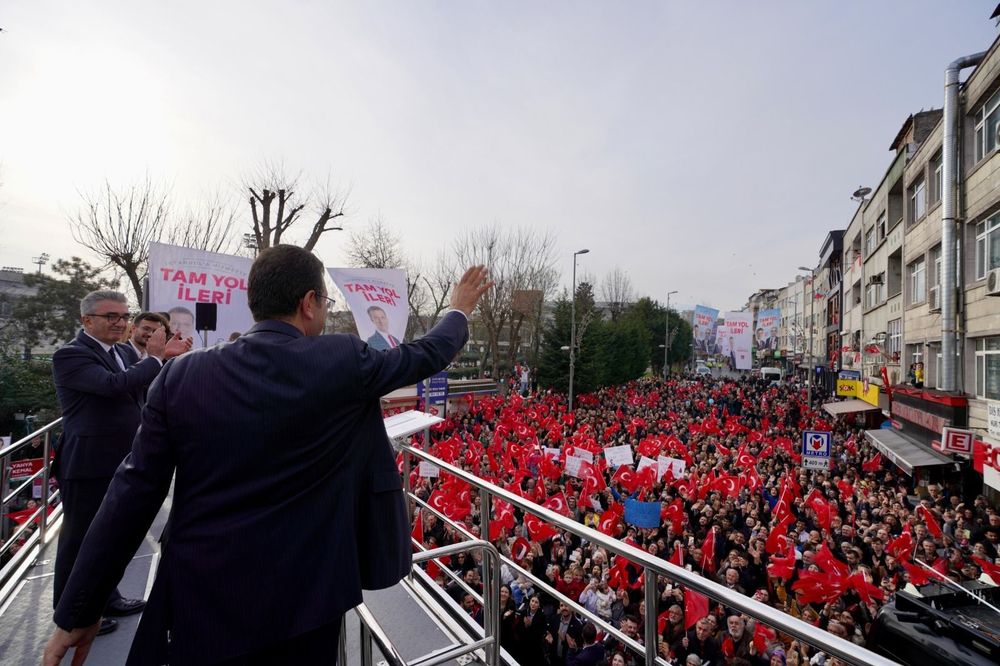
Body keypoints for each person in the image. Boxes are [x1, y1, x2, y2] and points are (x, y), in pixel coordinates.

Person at [43, 247, 491, 665]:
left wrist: (81, 607)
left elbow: (132, 493)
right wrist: (459, 308)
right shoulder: (340, 359)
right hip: (307, 601)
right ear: (309, 302)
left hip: (202, 596)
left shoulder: (180, 376)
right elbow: (427, 353)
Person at [50, 291, 190, 638]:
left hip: (119, 460)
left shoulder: (121, 352)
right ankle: (71, 614)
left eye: (123, 316)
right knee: (79, 540)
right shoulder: (70, 355)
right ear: (87, 320)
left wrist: (165, 360)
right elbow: (114, 386)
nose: (120, 322)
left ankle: (104, 599)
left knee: (107, 536)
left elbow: (140, 389)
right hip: (88, 464)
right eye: (110, 316)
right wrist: (156, 358)